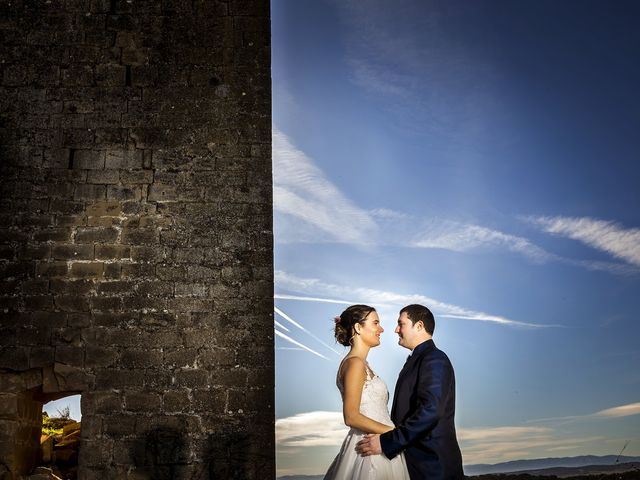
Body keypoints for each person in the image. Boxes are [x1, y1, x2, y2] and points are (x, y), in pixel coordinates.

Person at [356, 304, 464, 480]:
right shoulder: (417, 360)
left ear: (419, 326)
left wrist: (387, 442)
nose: (396, 329)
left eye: (401, 324)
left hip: (432, 467)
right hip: (413, 464)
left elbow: (431, 410)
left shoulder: (434, 358)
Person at [324, 304, 410, 480]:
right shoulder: (354, 363)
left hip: (380, 442)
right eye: (376, 323)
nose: (382, 329)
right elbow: (351, 416)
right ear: (358, 327)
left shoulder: (361, 364)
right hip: (369, 446)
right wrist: (394, 433)